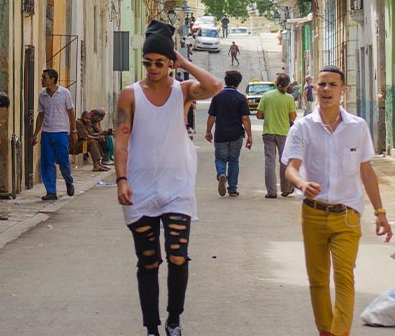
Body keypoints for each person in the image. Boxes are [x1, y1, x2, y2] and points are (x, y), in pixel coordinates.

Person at [115, 20, 223, 336]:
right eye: (147, 62)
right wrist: (121, 179)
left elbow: (214, 86)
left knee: (178, 256)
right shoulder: (130, 94)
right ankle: (152, 327)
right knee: (148, 261)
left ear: (170, 62)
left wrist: (184, 62)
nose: (152, 68)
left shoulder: (183, 91)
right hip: (140, 187)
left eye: (159, 63)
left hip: (177, 187)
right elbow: (121, 139)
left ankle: (174, 320)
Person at [282, 65, 393, 336]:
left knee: (344, 277)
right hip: (313, 213)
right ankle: (325, 331)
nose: (327, 89)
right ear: (314, 89)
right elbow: (291, 168)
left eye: (333, 85)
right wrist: (301, 183)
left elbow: (367, 172)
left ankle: (340, 332)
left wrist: (380, 212)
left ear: (343, 90)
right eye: (322, 84)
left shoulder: (358, 127)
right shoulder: (303, 127)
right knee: (318, 280)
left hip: (347, 214)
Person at [31, 68, 77, 201]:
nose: (42, 80)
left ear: (52, 80)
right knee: (47, 162)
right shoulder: (42, 96)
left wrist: (74, 130)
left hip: (61, 132)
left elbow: (71, 112)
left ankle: (68, 180)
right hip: (46, 133)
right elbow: (41, 115)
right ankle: (51, 191)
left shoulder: (64, 93)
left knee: (63, 160)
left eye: (44, 78)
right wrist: (35, 133)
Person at [205, 69, 252, 197]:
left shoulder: (217, 96)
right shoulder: (241, 98)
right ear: (238, 83)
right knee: (233, 161)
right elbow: (245, 118)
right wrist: (249, 136)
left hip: (221, 134)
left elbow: (212, 116)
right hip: (236, 134)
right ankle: (232, 189)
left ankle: (221, 174)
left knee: (220, 158)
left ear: (225, 81)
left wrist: (208, 131)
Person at [257, 72, 298, 198]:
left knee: (269, 161)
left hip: (268, 132)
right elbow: (293, 117)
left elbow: (259, 115)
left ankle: (271, 191)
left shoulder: (266, 95)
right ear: (287, 85)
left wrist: (268, 115)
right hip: (284, 133)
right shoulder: (289, 98)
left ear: (276, 83)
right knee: (284, 161)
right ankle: (285, 189)